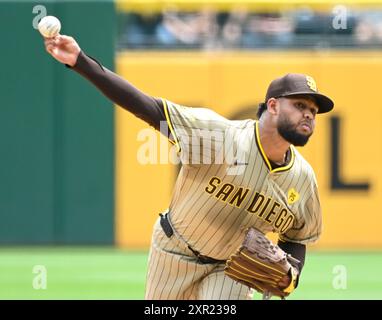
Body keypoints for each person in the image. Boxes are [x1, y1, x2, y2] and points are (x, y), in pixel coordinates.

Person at [43, 35, 334, 300]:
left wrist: (291, 274)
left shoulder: (302, 179)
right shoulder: (218, 136)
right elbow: (149, 108)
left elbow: (297, 236)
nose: (308, 114)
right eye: (299, 105)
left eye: (313, 111)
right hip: (173, 252)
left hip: (229, 269)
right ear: (272, 106)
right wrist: (81, 62)